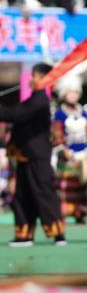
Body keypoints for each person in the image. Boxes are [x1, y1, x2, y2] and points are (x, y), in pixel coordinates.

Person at [1, 63, 66, 246]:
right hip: (25, 155)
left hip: (38, 156)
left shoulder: (39, 101)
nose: (31, 80)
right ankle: (24, 234)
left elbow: (14, 114)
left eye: (35, 76)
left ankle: (58, 233)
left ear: (44, 79)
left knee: (43, 192)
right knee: (22, 195)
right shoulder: (34, 100)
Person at [52, 74, 87, 222]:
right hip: (67, 154)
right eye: (70, 92)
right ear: (63, 94)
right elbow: (56, 135)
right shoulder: (59, 113)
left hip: (84, 154)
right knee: (67, 186)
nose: (73, 95)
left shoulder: (83, 112)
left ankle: (81, 213)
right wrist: (64, 150)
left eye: (75, 92)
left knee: (83, 184)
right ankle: (64, 213)